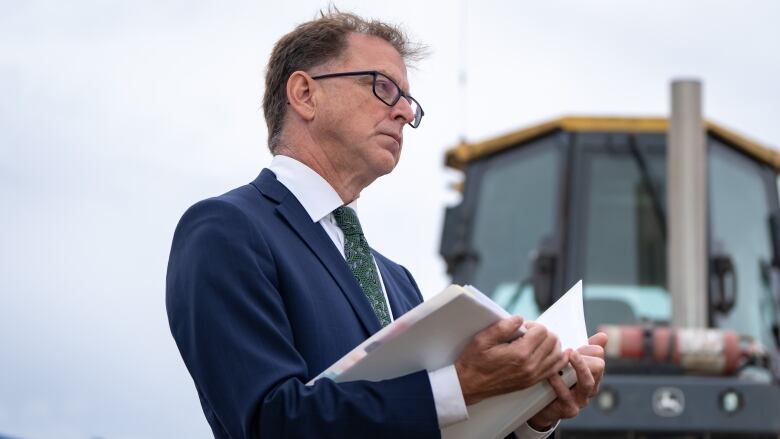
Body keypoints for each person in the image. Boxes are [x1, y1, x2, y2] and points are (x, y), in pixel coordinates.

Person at [166, 9, 606, 439]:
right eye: (382, 87)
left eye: (408, 102)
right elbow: (270, 420)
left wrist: (530, 413)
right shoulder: (226, 230)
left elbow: (422, 420)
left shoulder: (398, 282)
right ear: (304, 94)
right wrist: (462, 384)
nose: (402, 114)